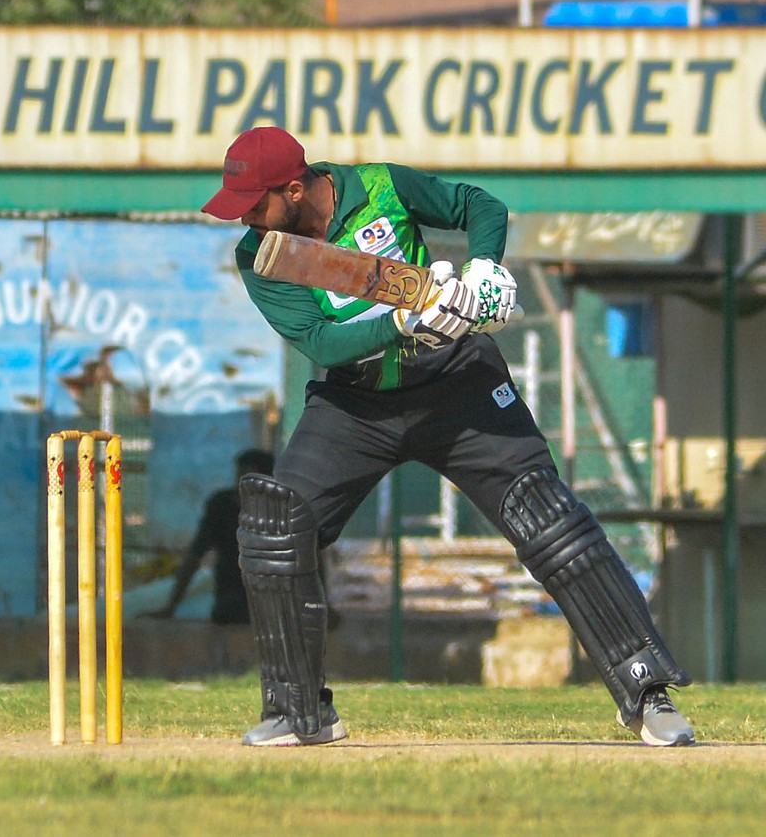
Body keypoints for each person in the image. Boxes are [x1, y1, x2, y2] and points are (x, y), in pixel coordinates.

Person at [201, 126, 694, 748]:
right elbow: (322, 343)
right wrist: (404, 321)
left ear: (294, 190)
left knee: (549, 519)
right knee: (276, 527)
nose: (245, 219)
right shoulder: (262, 255)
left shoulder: (381, 186)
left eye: (254, 204)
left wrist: (484, 269)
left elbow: (479, 206)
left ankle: (647, 692)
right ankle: (298, 712)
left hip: (457, 382)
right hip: (357, 403)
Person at [147, 448, 275, 625]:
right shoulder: (222, 505)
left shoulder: (279, 511)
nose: (240, 483)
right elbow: (195, 555)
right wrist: (171, 606)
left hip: (270, 606)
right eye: (239, 475)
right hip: (231, 603)